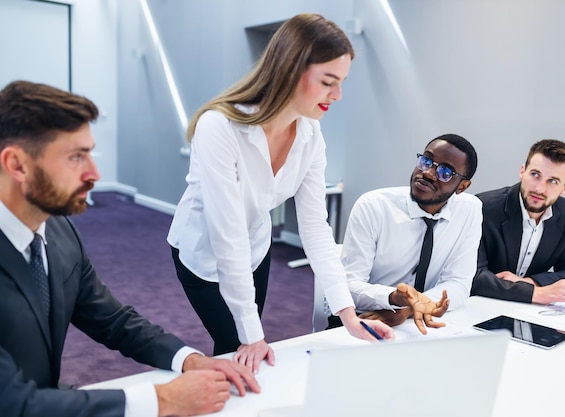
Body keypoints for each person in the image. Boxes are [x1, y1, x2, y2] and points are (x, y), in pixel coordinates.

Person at [0, 80, 260, 417]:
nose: (94, 173)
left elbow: (111, 319)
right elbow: (13, 404)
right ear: (17, 165)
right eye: (76, 157)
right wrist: (163, 400)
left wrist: (190, 360)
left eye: (90, 153)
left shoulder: (59, 230)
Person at [167, 12, 393, 373]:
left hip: (255, 248)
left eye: (342, 82)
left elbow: (316, 228)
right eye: (328, 82)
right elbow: (227, 236)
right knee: (235, 343)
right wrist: (252, 334)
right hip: (203, 252)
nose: (337, 95)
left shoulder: (310, 135)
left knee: (245, 347)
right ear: (290, 69)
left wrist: (348, 315)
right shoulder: (219, 128)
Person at [341, 134, 482, 334]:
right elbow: (347, 286)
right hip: (361, 319)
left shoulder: (469, 210)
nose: (429, 174)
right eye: (426, 161)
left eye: (445, 172)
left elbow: (459, 283)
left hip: (415, 323)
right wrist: (393, 298)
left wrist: (406, 309)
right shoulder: (374, 206)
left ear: (462, 186)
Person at [470, 139, 565, 304]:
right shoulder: (484, 208)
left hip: (526, 313)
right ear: (522, 171)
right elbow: (473, 276)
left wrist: (531, 283)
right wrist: (536, 294)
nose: (539, 189)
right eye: (535, 175)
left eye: (552, 181)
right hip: (480, 307)